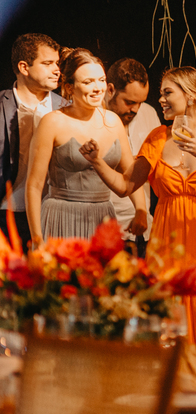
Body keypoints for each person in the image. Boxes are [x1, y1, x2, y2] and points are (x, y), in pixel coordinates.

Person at [88, 66, 196, 368]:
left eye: (167, 93)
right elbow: (125, 185)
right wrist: (97, 162)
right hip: (166, 248)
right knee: (166, 324)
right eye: (161, 94)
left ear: (191, 94)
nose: (160, 100)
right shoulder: (158, 137)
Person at [25, 49, 127, 243]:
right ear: (69, 87)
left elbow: (130, 176)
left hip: (102, 218)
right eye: (88, 82)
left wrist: (141, 209)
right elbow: (34, 185)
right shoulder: (52, 122)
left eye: (101, 80)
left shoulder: (114, 121)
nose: (98, 88)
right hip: (61, 217)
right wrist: (37, 240)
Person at [0, 33, 62, 246]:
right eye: (47, 63)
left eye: (57, 63)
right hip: (7, 211)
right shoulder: (1, 105)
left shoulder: (66, 107)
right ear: (24, 67)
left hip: (53, 212)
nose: (57, 70)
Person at [104, 58, 159, 252]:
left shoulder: (149, 114)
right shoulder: (93, 116)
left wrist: (142, 210)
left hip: (139, 226)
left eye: (140, 103)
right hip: (101, 225)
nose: (135, 109)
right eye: (129, 102)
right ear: (110, 90)